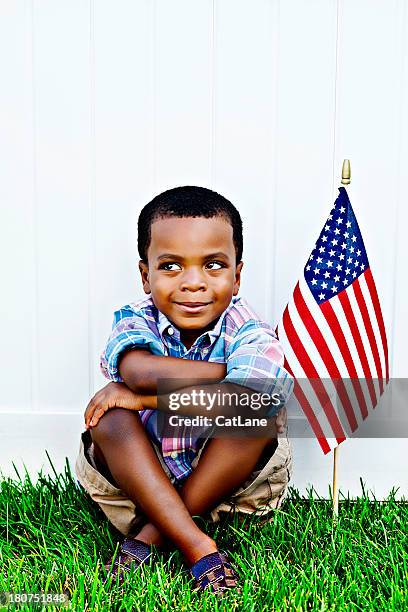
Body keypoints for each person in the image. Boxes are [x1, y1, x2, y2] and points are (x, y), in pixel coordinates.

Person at [75, 186, 293, 595]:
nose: (193, 283)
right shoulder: (135, 319)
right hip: (141, 484)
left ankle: (150, 537)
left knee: (254, 414)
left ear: (237, 274)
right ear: (146, 276)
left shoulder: (250, 330)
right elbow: (140, 372)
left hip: (230, 490)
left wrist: (142, 398)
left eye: (213, 265)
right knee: (111, 417)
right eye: (172, 266)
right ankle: (198, 545)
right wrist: (224, 373)